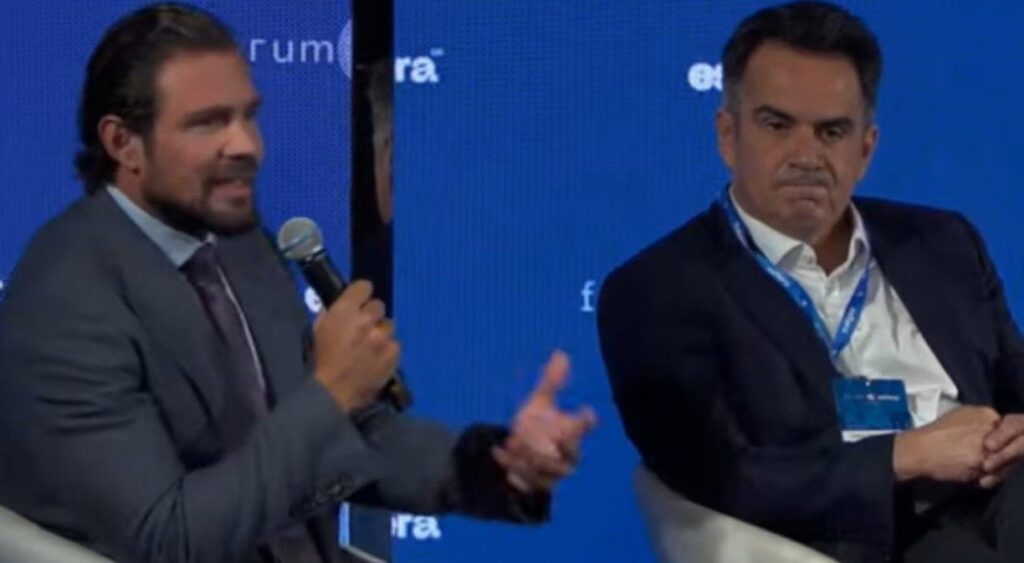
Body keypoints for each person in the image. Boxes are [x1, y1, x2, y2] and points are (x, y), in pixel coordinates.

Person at [0, 4, 595, 562]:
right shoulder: (64, 303)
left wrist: (498, 466)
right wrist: (332, 390)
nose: (246, 145)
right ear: (122, 143)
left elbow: (347, 437)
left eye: (247, 116)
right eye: (208, 123)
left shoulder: (237, 244)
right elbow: (169, 537)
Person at [598, 2, 1024, 561]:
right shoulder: (656, 291)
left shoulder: (942, 241)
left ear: (865, 148)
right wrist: (906, 455)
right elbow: (723, 477)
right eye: (777, 126)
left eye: (832, 131)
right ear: (728, 136)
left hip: (1002, 500)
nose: (806, 155)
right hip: (860, 540)